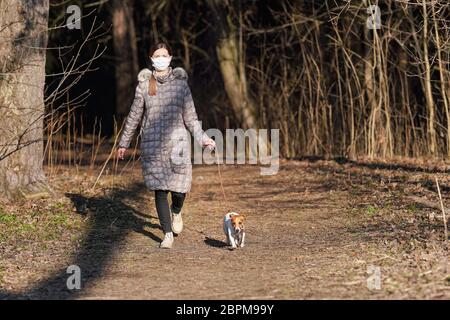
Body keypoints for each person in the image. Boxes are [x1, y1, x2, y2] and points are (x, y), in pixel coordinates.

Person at [117, 42, 215, 249]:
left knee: (179, 190)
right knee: (160, 190)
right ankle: (167, 233)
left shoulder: (181, 86)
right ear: (152, 59)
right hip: (152, 146)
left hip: (178, 146)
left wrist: (203, 138)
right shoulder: (144, 86)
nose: (160, 58)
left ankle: (177, 211)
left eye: (164, 55)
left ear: (170, 58)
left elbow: (191, 119)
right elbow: (134, 117)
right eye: (156, 55)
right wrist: (124, 143)